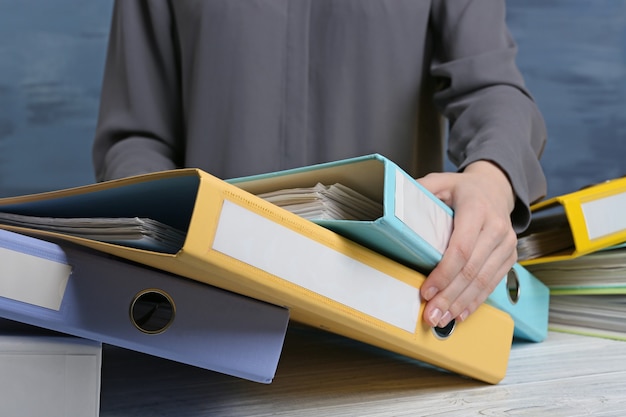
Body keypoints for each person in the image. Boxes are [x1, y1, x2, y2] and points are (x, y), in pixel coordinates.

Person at [92, 0, 547, 329]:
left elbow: (491, 88)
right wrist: (156, 231)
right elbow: (136, 134)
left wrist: (491, 179)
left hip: (395, 311)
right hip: (205, 310)